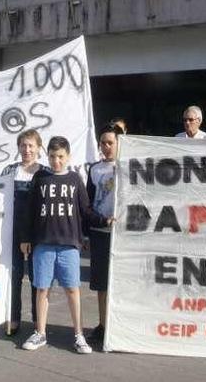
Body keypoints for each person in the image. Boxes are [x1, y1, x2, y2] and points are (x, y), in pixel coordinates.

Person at [19, 136, 110, 354]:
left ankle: (79, 335)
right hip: (43, 244)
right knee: (42, 289)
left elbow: (86, 210)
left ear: (68, 156)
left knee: (72, 289)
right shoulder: (40, 177)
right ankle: (40, 332)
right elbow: (29, 211)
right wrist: (25, 238)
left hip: (69, 244)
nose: (56, 161)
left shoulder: (75, 179)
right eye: (52, 156)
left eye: (60, 157)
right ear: (47, 155)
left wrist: (104, 220)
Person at [0, 129, 47, 336]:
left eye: (30, 146)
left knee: (38, 277)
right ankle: (14, 318)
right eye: (23, 145)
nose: (26, 150)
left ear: (38, 148)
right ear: (18, 147)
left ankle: (39, 321)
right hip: (13, 231)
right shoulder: (9, 171)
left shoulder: (45, 173)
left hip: (38, 232)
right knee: (15, 275)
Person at [86, 124, 121, 344]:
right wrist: (90, 230)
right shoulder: (94, 170)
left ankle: (118, 324)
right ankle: (103, 324)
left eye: (110, 142)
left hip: (122, 233)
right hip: (100, 231)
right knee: (101, 284)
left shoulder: (127, 167)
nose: (106, 147)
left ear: (118, 144)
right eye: (103, 143)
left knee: (119, 281)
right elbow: (87, 205)